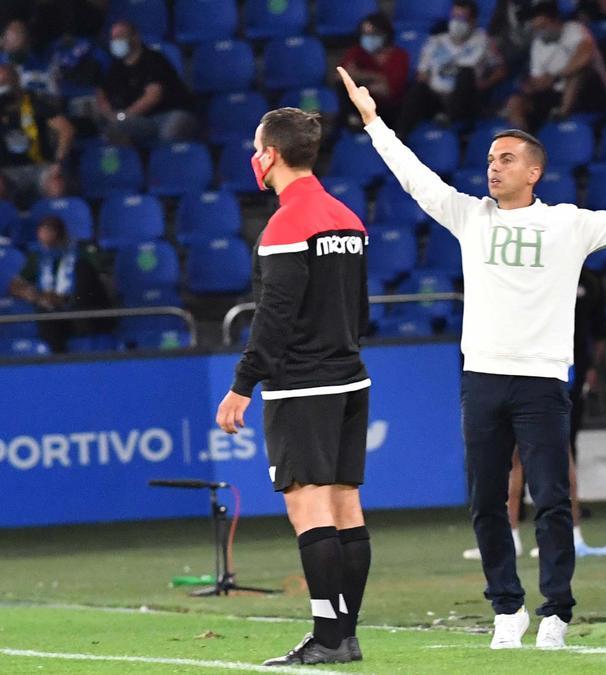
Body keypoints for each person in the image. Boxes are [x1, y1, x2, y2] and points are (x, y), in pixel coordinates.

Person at [339, 65, 606, 650]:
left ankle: (556, 610)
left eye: (505, 158)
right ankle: (507, 608)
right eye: (490, 158)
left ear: (534, 172)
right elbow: (414, 178)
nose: (493, 166)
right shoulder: (468, 217)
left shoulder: (567, 223)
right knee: (485, 501)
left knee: (550, 499)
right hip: (482, 377)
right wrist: (375, 121)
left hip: (541, 380)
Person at [214, 108, 373, 667]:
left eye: (257, 147)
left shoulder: (285, 225)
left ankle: (329, 638)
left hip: (302, 386)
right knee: (346, 506)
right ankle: (343, 635)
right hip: (351, 377)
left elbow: (273, 318)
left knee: (311, 512)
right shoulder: (348, 218)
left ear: (271, 155)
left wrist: (241, 385)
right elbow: (361, 310)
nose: (254, 157)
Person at [462, 267, 606, 560]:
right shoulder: (537, 272)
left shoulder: (571, 277)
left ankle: (565, 535)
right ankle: (515, 536)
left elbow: (595, 329)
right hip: (531, 366)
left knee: (554, 451)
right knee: (524, 454)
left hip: (548, 368)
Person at [397, 0, 507, 137]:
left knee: (466, 72)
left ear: (472, 21)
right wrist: (425, 78)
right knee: (417, 90)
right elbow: (422, 73)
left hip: (465, 98)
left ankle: (451, 118)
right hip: (437, 96)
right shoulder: (436, 41)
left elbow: (501, 70)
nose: (456, 22)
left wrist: (484, 84)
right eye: (454, 17)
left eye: (461, 18)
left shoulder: (483, 41)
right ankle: (400, 135)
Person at [503, 2, 606, 132]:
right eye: (537, 29)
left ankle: (562, 114)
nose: (540, 32)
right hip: (555, 93)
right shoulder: (538, 44)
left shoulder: (575, 29)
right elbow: (538, 80)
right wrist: (536, 84)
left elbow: (584, 56)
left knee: (578, 72)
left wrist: (557, 76)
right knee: (515, 102)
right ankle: (522, 146)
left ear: (555, 21)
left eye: (543, 27)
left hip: (589, 92)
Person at [7, 215, 111, 353]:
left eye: (50, 230)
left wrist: (65, 299)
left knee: (83, 269)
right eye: (42, 231)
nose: (44, 235)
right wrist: (35, 296)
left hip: (81, 307)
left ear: (61, 233)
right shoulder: (38, 256)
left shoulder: (81, 251)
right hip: (49, 311)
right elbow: (15, 284)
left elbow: (101, 280)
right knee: (46, 318)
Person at [94, 20, 194, 148]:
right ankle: (133, 164)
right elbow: (101, 93)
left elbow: (153, 97)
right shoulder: (116, 67)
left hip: (171, 114)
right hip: (142, 120)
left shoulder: (154, 59)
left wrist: (123, 116)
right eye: (113, 38)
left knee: (170, 132)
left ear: (135, 37)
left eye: (120, 37)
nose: (115, 42)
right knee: (113, 130)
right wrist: (110, 114)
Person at [0, 63, 73, 209]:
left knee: (56, 185)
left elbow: (66, 129)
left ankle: (53, 227)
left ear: (16, 80)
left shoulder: (35, 102)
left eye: (5, 81)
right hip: (9, 170)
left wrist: (58, 162)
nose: (2, 86)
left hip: (40, 166)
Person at [338, 12, 409, 126]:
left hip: (390, 109)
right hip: (363, 104)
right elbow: (341, 76)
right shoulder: (357, 52)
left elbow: (388, 91)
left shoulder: (399, 56)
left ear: (385, 34)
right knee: (342, 87)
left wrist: (358, 76)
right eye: (365, 34)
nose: (368, 38)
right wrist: (374, 77)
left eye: (373, 34)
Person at [1, 19, 53, 94]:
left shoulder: (43, 67)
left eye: (20, 34)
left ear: (28, 43)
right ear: (4, 42)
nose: (16, 40)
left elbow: (52, 95)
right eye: (11, 37)